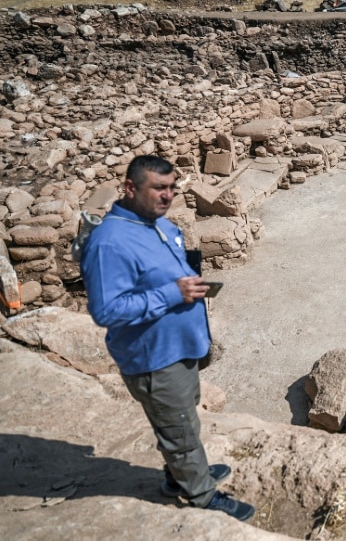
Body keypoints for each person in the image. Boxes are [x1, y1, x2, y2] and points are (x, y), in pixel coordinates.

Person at [80, 155, 255, 522]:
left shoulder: (155, 225)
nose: (168, 196)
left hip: (180, 349)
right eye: (159, 188)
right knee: (179, 429)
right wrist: (174, 294)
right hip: (153, 358)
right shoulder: (109, 243)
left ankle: (180, 476)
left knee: (183, 419)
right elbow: (106, 311)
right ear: (130, 188)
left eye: (172, 188)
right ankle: (201, 495)